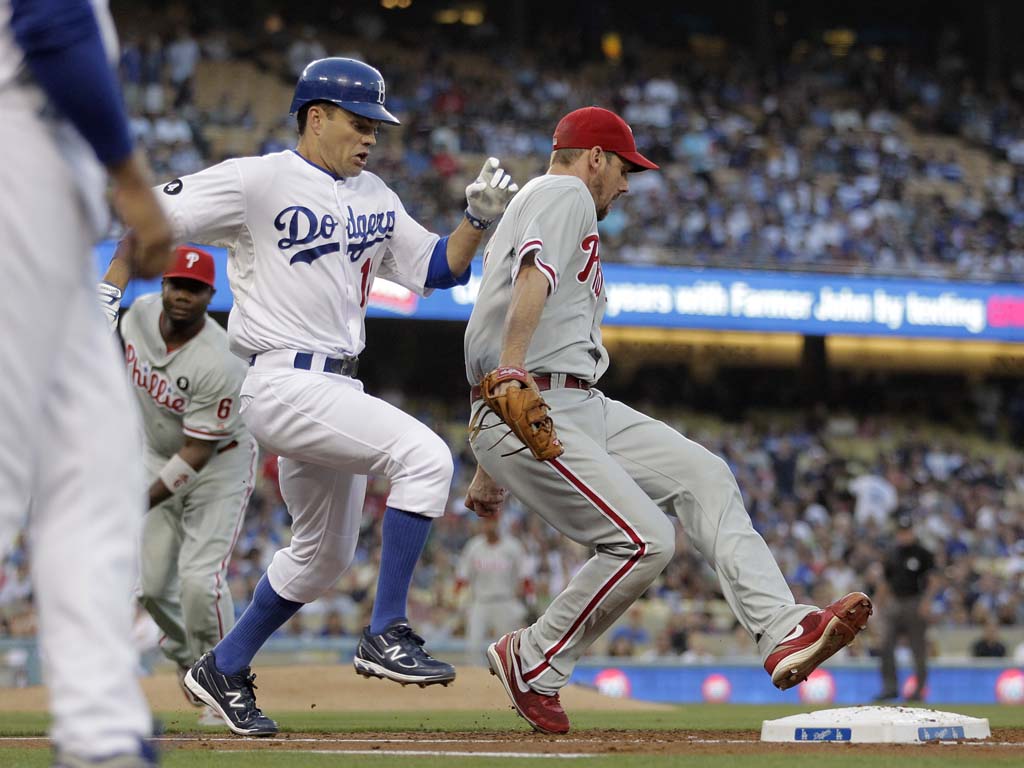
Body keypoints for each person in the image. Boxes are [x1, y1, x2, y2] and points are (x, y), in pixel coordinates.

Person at [111, 56, 518, 737]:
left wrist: (475, 219)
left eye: (377, 127)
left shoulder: (376, 196)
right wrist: (110, 286)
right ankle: (387, 629)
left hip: (334, 382)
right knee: (424, 457)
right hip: (275, 376)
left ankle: (223, 667)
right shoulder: (258, 179)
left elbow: (437, 269)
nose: (371, 137)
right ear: (316, 116)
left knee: (323, 555)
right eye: (359, 123)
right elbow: (154, 214)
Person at [462, 106, 872, 734]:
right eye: (625, 168)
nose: (627, 184)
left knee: (705, 476)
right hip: (532, 396)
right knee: (646, 540)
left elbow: (513, 306)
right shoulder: (566, 189)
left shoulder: (555, 200)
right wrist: (511, 378)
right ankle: (534, 658)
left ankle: (783, 629)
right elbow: (531, 278)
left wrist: (495, 453)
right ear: (595, 157)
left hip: (569, 400)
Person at [0, 0, 174, 764]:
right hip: (16, 153)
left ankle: (102, 738)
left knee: (93, 468)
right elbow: (53, 21)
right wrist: (131, 179)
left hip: (44, 182)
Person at [99, 245, 257, 726]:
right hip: (157, 454)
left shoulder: (221, 359)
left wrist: (134, 501)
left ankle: (227, 679)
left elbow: (197, 453)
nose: (183, 295)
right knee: (149, 590)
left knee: (198, 580)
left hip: (218, 465)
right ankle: (195, 662)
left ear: (210, 295)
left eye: (194, 288)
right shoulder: (139, 316)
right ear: (162, 286)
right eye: (176, 284)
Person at [455, 510, 531, 664]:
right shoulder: (474, 546)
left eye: (492, 521)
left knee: (509, 649)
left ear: (499, 523)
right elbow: (462, 577)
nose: (489, 525)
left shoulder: (513, 546)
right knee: (473, 646)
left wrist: (526, 601)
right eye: (486, 522)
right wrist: (459, 601)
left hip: (505, 601)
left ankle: (510, 681)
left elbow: (525, 576)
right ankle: (475, 683)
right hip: (480, 602)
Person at [875, 513, 936, 702]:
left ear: (912, 532)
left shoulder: (923, 553)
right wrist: (877, 606)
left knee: (918, 649)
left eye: (907, 531)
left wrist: (927, 601)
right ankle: (890, 688)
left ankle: (919, 690)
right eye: (901, 532)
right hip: (894, 602)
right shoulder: (891, 554)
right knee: (885, 645)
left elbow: (933, 580)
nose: (904, 535)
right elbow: (885, 582)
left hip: (915, 602)